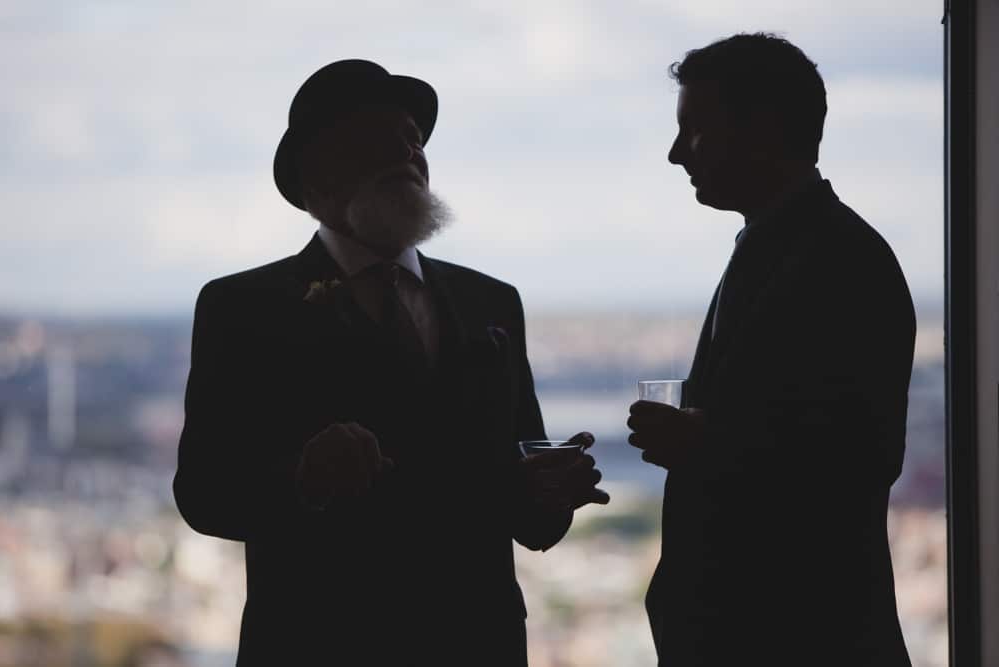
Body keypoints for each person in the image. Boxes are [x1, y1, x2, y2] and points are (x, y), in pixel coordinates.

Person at [173, 59, 608, 666]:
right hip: (321, 644)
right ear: (318, 173)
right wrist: (304, 474)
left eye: (415, 139)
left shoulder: (492, 301)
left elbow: (527, 508)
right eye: (382, 137)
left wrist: (549, 490)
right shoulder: (243, 307)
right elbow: (205, 493)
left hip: (477, 641)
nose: (410, 152)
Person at [627, 34, 914, 666]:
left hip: (795, 637)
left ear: (761, 131)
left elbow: (862, 455)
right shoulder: (798, 247)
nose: (676, 154)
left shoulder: (841, 260)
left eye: (694, 130)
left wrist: (706, 444)